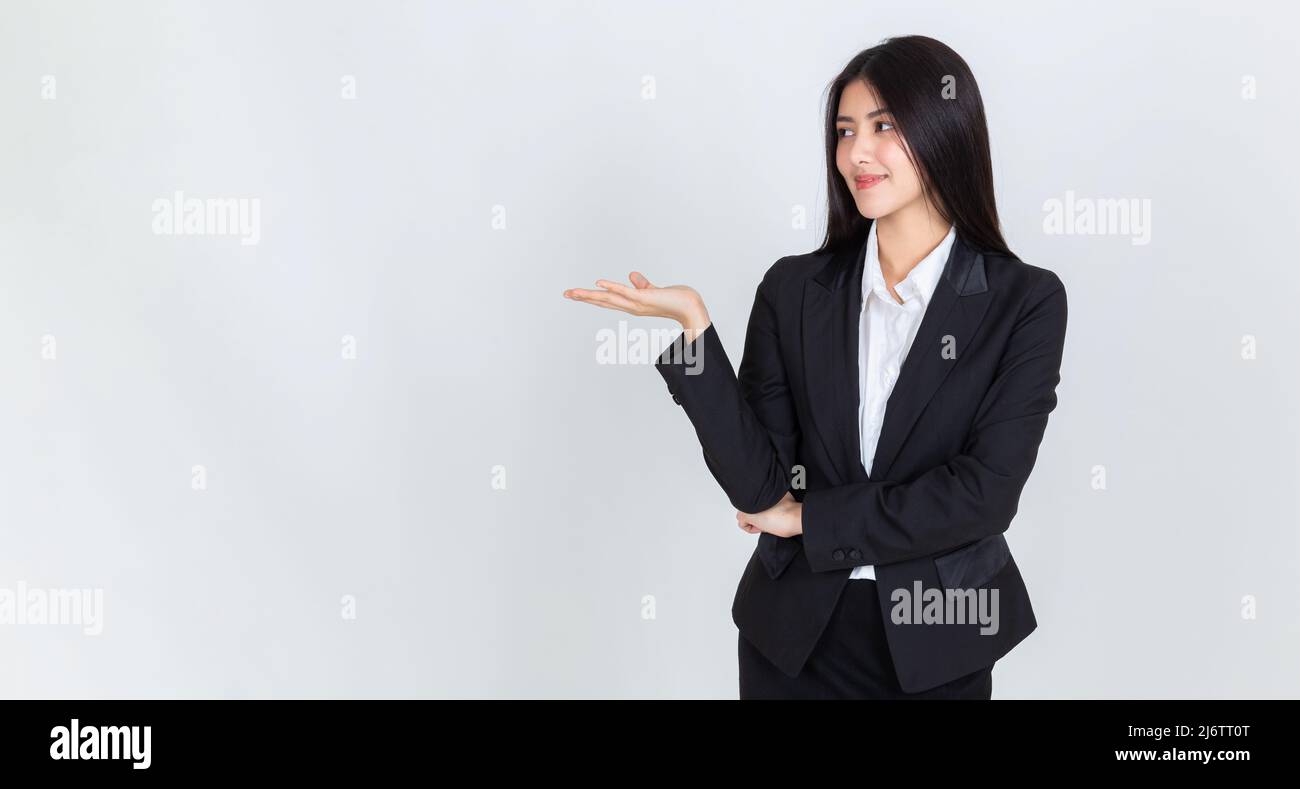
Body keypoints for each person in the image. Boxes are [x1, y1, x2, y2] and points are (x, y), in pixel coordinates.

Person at [564, 35, 1067, 699]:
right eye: (845, 130)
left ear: (946, 129)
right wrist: (694, 329)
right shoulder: (795, 290)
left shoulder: (1023, 301)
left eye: (884, 126)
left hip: (937, 641)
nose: (857, 152)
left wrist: (812, 520)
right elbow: (759, 488)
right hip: (793, 641)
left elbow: (983, 494)